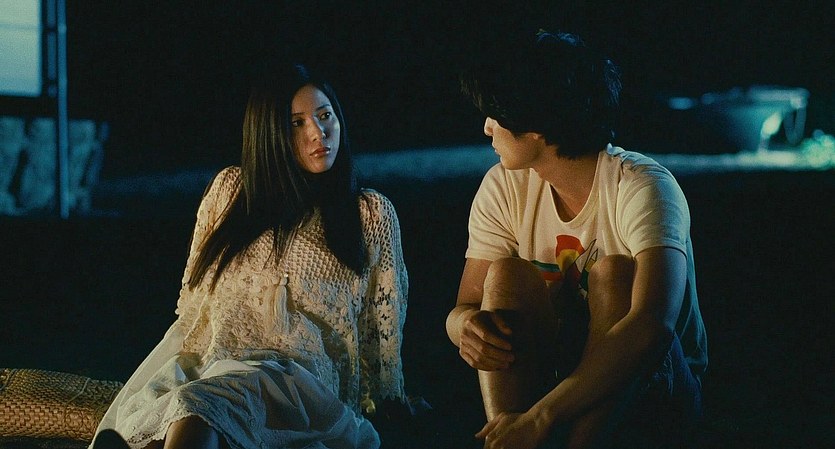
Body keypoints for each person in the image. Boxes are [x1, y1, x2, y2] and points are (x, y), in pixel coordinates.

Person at [90, 62, 409, 449]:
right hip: (214, 367)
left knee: (199, 407)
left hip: (298, 389)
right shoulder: (230, 193)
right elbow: (193, 310)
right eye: (296, 123)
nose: (317, 133)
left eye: (325, 116)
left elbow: (381, 339)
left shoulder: (369, 215)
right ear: (269, 134)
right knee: (183, 408)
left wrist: (389, 402)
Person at [445, 30, 707, 449]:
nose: (487, 127)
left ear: (537, 126)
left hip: (652, 388)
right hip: (551, 379)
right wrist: (465, 328)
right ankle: (508, 440)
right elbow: (465, 307)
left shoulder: (642, 186)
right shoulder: (504, 185)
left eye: (496, 115)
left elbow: (652, 327)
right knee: (506, 275)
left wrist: (542, 417)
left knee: (615, 275)